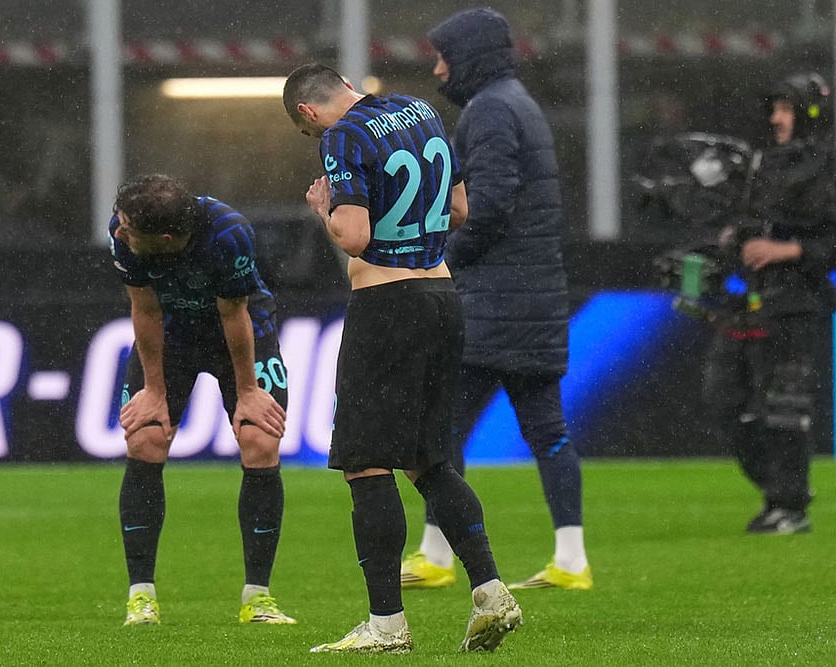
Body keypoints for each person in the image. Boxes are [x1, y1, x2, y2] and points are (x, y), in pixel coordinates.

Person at [283, 62, 522, 654]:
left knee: (367, 463)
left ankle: (386, 624)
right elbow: (461, 211)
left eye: (307, 133)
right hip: (442, 295)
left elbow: (355, 236)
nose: (316, 141)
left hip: (387, 302)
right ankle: (491, 589)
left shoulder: (344, 136)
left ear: (309, 114)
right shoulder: (423, 111)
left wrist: (324, 208)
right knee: (430, 459)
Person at [398, 7, 592, 592]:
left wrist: (440, 264)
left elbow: (488, 207)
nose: (437, 70)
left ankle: (435, 554)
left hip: (488, 306)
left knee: (440, 430)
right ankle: (572, 560)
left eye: (443, 58)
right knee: (548, 431)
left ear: (468, 58)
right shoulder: (519, 103)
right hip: (535, 300)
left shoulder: (489, 110)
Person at [109, 174, 296, 626]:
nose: (119, 233)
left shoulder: (228, 233)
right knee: (145, 439)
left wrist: (248, 392)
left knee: (260, 442)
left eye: (131, 231)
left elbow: (234, 313)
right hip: (171, 338)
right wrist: (153, 390)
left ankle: (258, 598)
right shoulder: (124, 230)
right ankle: (141, 597)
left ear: (166, 239)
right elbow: (146, 309)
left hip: (241, 331)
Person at [702, 72, 835, 535]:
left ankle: (789, 505)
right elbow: (748, 219)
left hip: (796, 304)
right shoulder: (764, 162)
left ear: (808, 113)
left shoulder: (828, 164)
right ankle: (781, 489)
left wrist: (788, 250)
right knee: (723, 400)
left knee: (784, 407)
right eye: (774, 108)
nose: (776, 118)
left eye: (786, 109)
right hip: (747, 301)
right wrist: (732, 237)